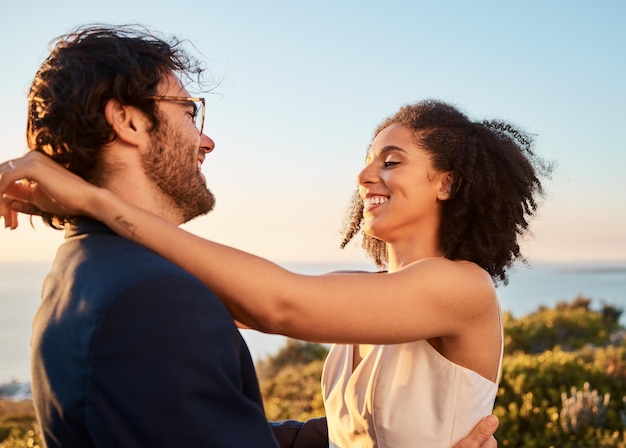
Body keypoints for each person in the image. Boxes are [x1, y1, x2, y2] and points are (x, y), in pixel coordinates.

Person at [0, 25, 501, 448]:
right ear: (126, 120)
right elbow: (249, 298)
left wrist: (93, 201)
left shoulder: (459, 287)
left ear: (446, 183)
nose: (364, 175)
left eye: (391, 161)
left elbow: (276, 303)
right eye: (189, 110)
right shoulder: (144, 293)